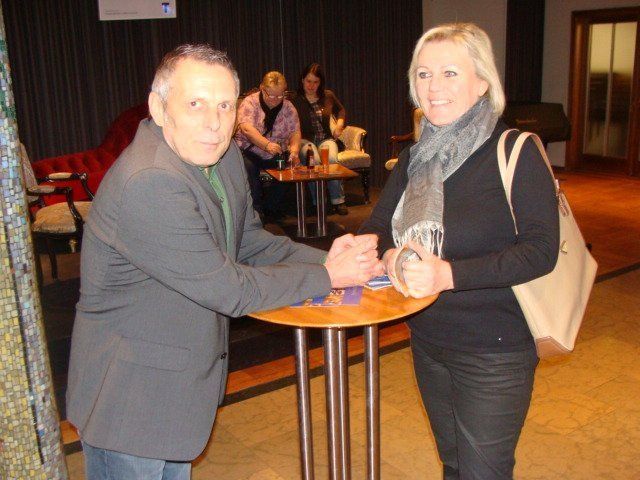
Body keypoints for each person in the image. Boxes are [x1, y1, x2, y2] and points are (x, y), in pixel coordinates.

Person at [66, 44, 383, 479]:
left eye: (224, 106)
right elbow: (229, 289)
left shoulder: (223, 155)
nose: (214, 123)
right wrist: (328, 275)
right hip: (130, 399)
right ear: (159, 108)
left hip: (178, 386)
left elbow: (249, 241)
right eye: (195, 104)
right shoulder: (150, 181)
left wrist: (330, 257)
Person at [359, 23, 559, 479]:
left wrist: (448, 275)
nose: (434, 87)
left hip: (495, 349)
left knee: (482, 473)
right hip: (428, 339)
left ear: (483, 82)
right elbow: (377, 227)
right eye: (424, 74)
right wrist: (390, 256)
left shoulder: (516, 151)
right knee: (453, 464)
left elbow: (541, 250)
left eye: (450, 73)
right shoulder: (416, 158)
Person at [234, 71, 300, 220]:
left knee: (287, 170)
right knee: (249, 170)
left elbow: (295, 132)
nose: (276, 100)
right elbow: (246, 129)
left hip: (275, 151)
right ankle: (256, 212)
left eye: (280, 95)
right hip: (249, 149)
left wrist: (295, 150)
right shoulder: (250, 102)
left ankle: (271, 207)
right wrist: (266, 144)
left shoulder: (288, 107)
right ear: (262, 89)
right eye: (271, 95)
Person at [291, 62, 348, 215]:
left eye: (315, 82)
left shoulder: (328, 96)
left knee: (331, 160)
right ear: (302, 80)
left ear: (320, 82)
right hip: (305, 140)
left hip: (325, 138)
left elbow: (341, 110)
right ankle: (319, 202)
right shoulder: (294, 99)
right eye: (308, 81)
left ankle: (338, 200)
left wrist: (339, 124)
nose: (311, 85)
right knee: (313, 160)